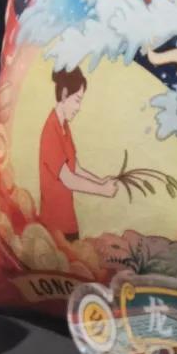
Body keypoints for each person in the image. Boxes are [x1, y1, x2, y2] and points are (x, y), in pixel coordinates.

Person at [39, 67, 117, 241]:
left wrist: (100, 180)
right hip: (54, 226)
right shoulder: (51, 130)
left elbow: (76, 168)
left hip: (68, 221)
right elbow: (69, 179)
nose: (78, 108)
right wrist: (102, 190)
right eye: (77, 100)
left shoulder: (64, 127)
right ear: (64, 94)